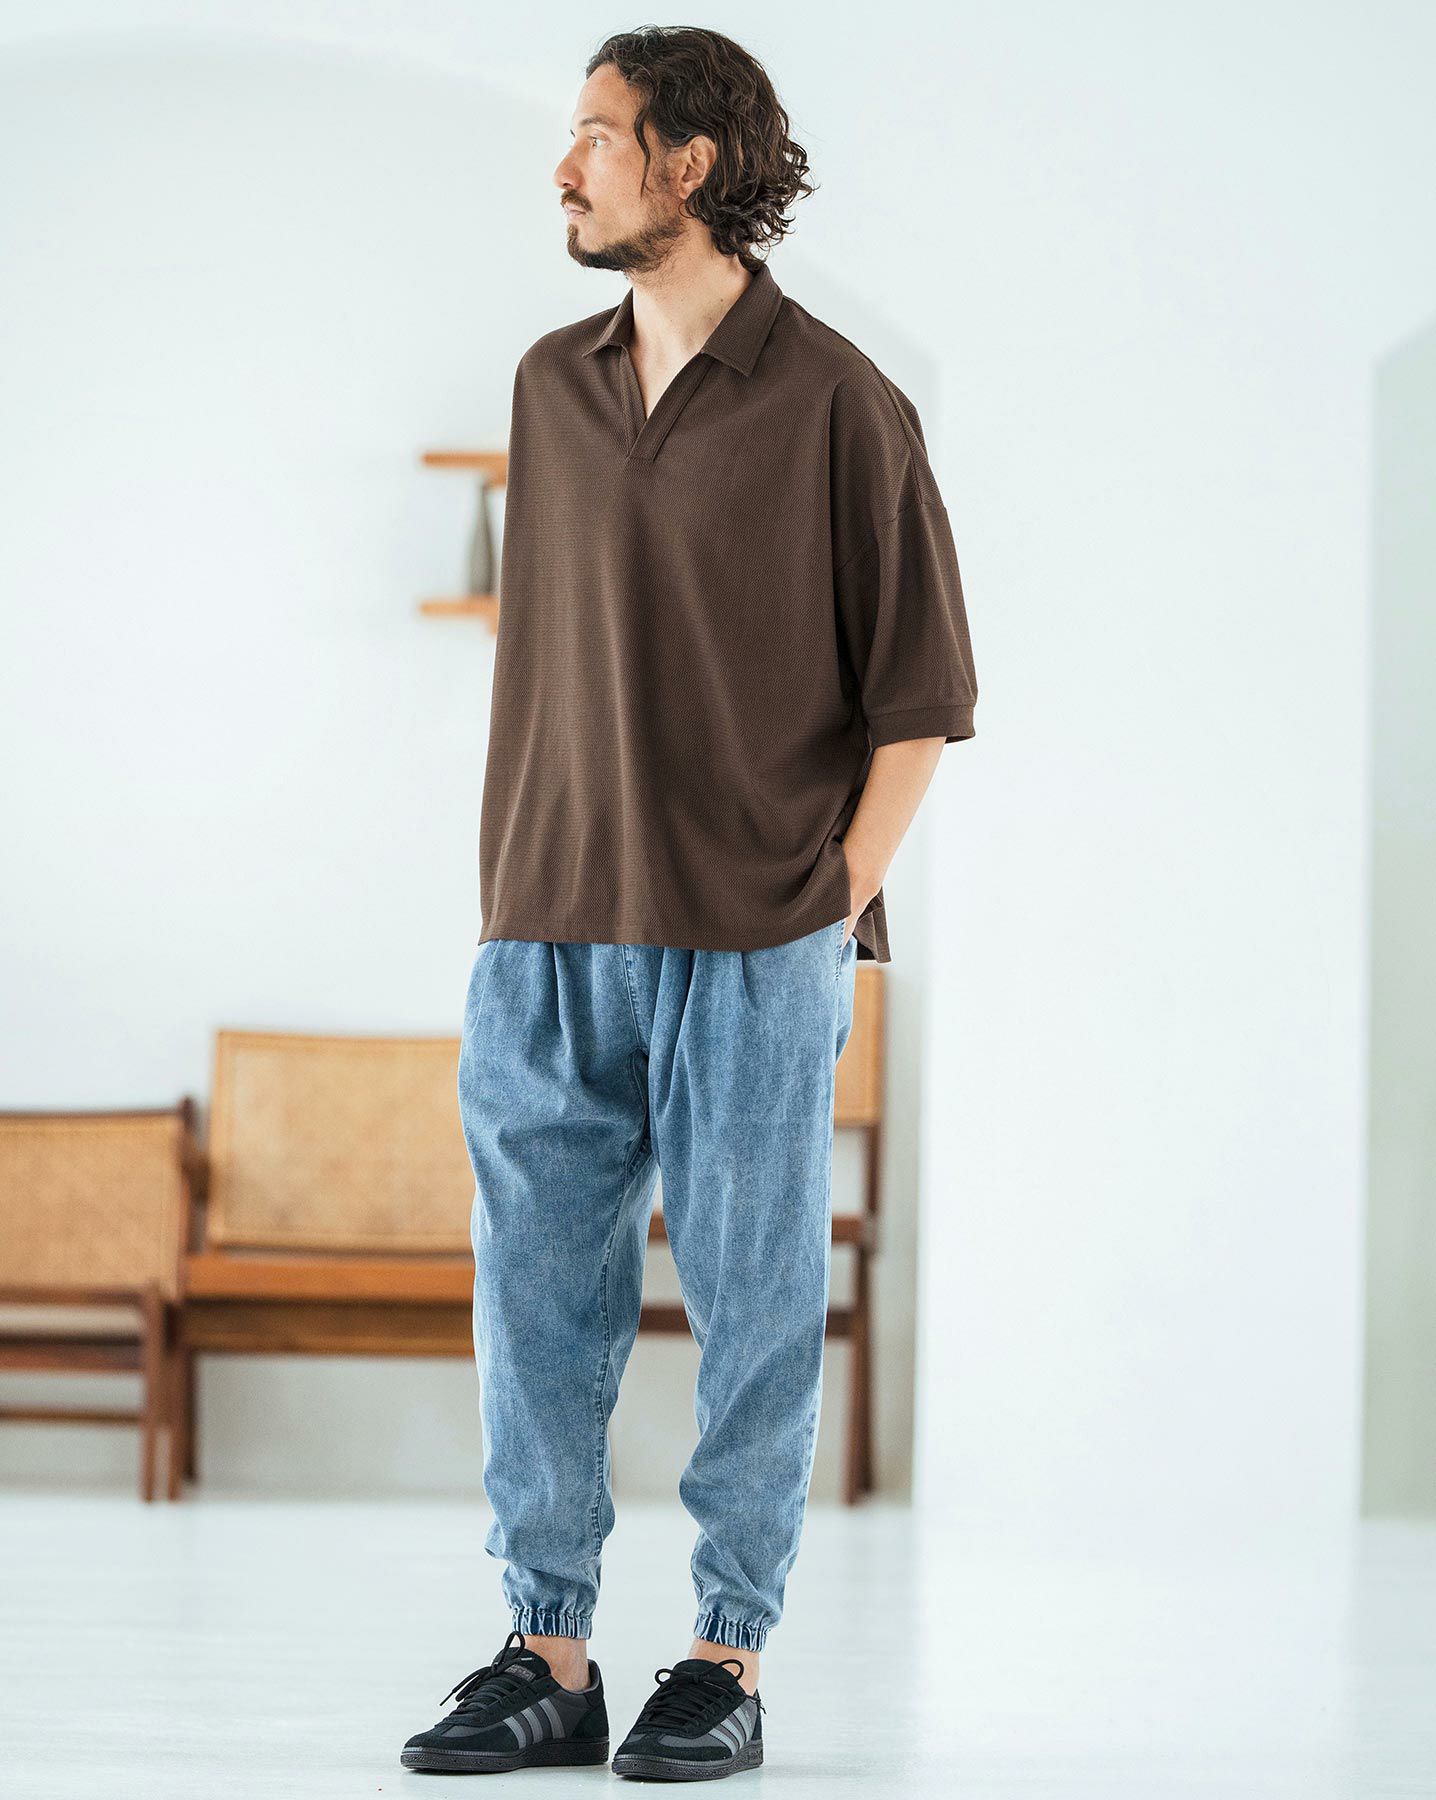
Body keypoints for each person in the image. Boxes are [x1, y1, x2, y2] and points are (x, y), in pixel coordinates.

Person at [402, 23, 977, 1783]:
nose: (564, 168)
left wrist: (827, 900)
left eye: (596, 136)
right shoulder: (548, 387)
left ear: (691, 162)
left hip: (752, 938)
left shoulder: (841, 405)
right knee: (536, 1301)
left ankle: (725, 1655)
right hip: (547, 924)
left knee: (752, 1306)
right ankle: (549, 1649)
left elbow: (922, 698)